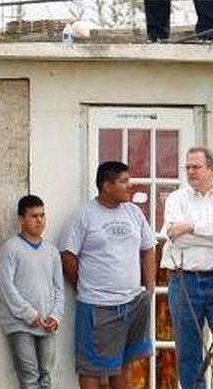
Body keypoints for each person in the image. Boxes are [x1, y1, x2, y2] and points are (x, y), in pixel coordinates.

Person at [60, 161, 157, 389]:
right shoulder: (84, 215)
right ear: (107, 185)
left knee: (124, 363)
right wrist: (84, 286)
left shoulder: (133, 212)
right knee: (91, 368)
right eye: (124, 182)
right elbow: (67, 256)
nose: (129, 186)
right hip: (97, 305)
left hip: (132, 302)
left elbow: (149, 248)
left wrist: (149, 287)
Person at [161, 147, 213, 389]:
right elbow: (175, 236)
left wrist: (191, 227)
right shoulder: (177, 198)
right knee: (188, 353)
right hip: (183, 280)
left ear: (212, 170)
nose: (190, 171)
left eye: (196, 167)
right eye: (187, 167)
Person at [0, 194, 65, 389]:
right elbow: (6, 288)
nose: (40, 220)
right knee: (29, 376)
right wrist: (29, 314)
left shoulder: (51, 252)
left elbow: (59, 289)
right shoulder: (10, 249)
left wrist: (55, 316)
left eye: (42, 215)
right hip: (20, 324)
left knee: (45, 375)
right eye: (34, 216)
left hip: (47, 324)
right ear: (21, 219)